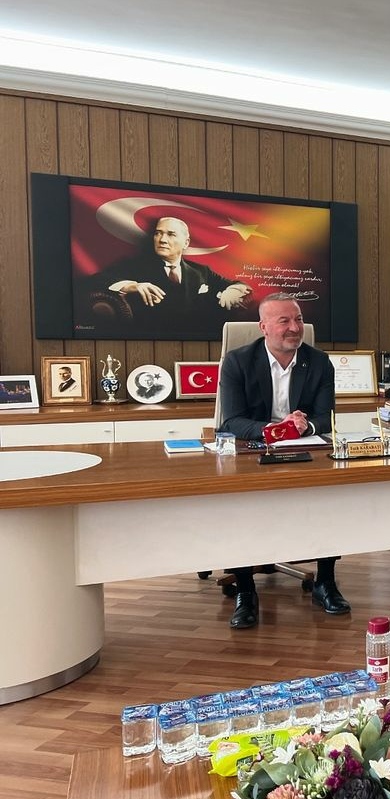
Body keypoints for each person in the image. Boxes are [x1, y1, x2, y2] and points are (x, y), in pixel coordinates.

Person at [216, 292, 349, 629]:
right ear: (263, 327)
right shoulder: (237, 361)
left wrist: (306, 425)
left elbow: (326, 417)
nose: (295, 327)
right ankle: (246, 590)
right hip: (254, 447)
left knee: (329, 498)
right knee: (240, 506)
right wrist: (274, 430)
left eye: (299, 319)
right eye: (284, 321)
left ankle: (325, 582)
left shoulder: (319, 362)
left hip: (305, 448)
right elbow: (231, 421)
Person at [88, 216, 251, 338]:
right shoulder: (134, 266)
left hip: (196, 341)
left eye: (171, 234)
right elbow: (96, 280)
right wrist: (132, 286)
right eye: (158, 233)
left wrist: (233, 290)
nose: (162, 240)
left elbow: (240, 285)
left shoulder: (201, 271)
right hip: (150, 341)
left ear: (186, 243)